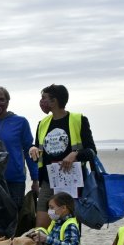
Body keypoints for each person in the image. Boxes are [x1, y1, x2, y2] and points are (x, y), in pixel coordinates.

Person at [28, 84, 97, 228]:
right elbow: (37, 147)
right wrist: (33, 149)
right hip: (48, 182)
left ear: (55, 101)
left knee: (68, 229)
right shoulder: (43, 123)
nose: (42, 102)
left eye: (44, 98)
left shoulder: (78, 120)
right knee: (40, 229)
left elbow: (91, 151)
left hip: (71, 184)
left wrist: (75, 154)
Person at [0, 87, 39, 210]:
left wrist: (35, 180)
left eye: (1, 100)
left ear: (8, 101)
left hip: (15, 180)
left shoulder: (20, 122)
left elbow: (29, 151)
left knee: (14, 220)